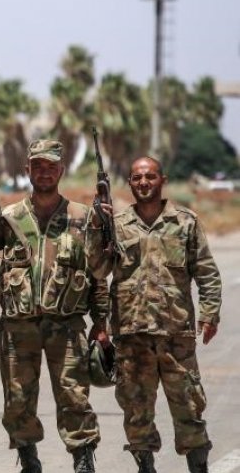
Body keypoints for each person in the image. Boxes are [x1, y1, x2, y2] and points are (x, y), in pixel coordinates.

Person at [0, 139, 108, 473]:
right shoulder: (10, 217)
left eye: (50, 166)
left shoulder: (81, 218)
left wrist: (101, 324)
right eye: (38, 165)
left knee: (75, 397)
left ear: (61, 170)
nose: (44, 172)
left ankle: (83, 462)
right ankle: (29, 461)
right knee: (18, 400)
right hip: (18, 328)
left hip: (67, 326)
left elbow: (98, 274)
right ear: (27, 169)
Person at [85, 156, 221, 473]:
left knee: (189, 406)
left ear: (162, 180)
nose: (143, 183)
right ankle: (145, 467)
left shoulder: (185, 222)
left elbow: (207, 272)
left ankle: (198, 467)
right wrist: (97, 227)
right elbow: (98, 270)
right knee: (136, 411)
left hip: (176, 336)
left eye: (150, 177)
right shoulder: (116, 225)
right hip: (132, 336)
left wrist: (209, 313)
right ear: (130, 183)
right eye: (137, 178)